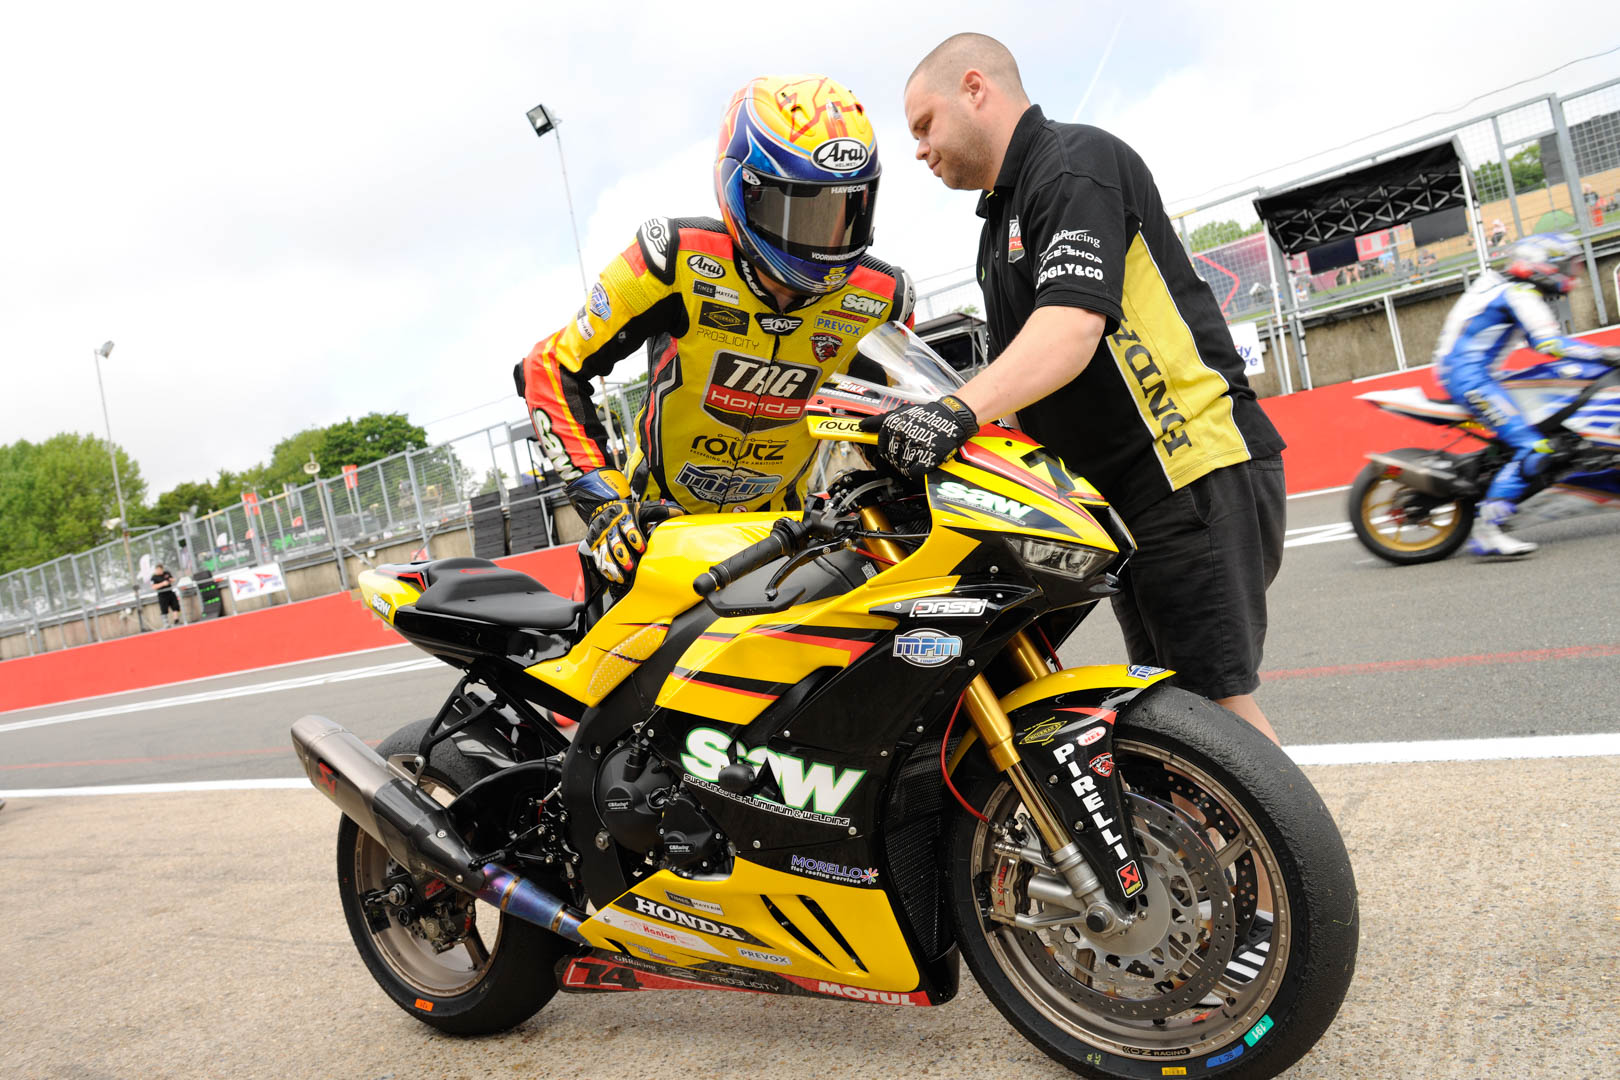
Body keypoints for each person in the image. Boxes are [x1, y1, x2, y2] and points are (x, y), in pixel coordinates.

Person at [882, 33, 1287, 742]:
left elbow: (1069, 330)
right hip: (1128, 499)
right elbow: (1024, 379)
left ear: (974, 88)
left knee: (1215, 720)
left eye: (924, 125)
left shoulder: (1072, 164)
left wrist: (953, 413)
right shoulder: (1000, 221)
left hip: (1186, 463)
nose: (919, 149)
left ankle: (1283, 826)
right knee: (1174, 724)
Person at [516, 74, 913, 587]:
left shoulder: (884, 298)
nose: (827, 237)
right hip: (652, 532)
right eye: (803, 210)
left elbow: (891, 422)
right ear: (743, 190)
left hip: (781, 538)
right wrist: (604, 503)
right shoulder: (671, 259)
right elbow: (549, 366)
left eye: (844, 210)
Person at [1432, 232, 1620, 557]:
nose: (1571, 275)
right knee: (1535, 447)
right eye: (1565, 266)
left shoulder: (1502, 285)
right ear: (1542, 265)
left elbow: (1537, 340)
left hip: (1471, 373)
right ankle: (1488, 530)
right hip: (1470, 378)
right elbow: (1550, 343)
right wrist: (1605, 354)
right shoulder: (1519, 293)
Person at [151, 563, 181, 627]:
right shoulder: (154, 577)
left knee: (175, 606)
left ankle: (176, 620)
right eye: (157, 570)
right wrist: (162, 584)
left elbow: (173, 579)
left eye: (160, 570)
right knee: (164, 609)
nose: (159, 571)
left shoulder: (166, 573)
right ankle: (166, 623)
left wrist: (171, 580)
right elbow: (153, 587)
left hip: (170, 592)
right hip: (162, 595)